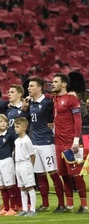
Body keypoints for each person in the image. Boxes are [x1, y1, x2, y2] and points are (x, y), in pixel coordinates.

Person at [22, 77, 65, 213]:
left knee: (53, 173)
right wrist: (24, 109)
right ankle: (45, 204)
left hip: (47, 143)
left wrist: (55, 126)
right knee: (40, 175)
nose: (28, 88)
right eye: (28, 86)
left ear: (40, 88)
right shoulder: (30, 104)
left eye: (31, 86)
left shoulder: (48, 102)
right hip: (34, 143)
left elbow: (60, 113)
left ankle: (62, 204)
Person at [52, 73, 87, 214]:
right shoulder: (55, 99)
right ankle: (70, 205)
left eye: (55, 82)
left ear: (64, 84)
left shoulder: (71, 99)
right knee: (64, 175)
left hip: (71, 143)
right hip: (58, 143)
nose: (52, 84)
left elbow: (78, 120)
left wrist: (76, 141)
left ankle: (84, 205)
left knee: (76, 174)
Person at [0, 114, 17, 216]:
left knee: (9, 185)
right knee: (1, 186)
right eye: (0, 122)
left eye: (4, 121)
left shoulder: (10, 136)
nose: (3, 123)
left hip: (7, 160)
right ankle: (5, 207)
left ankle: (13, 207)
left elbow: (14, 148)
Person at [14, 117, 37, 217]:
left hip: (25, 164)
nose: (15, 128)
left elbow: (32, 155)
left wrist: (30, 167)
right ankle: (24, 208)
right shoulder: (16, 141)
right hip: (18, 165)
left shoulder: (27, 140)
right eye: (15, 126)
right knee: (22, 188)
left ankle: (32, 209)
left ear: (24, 128)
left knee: (29, 187)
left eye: (17, 126)